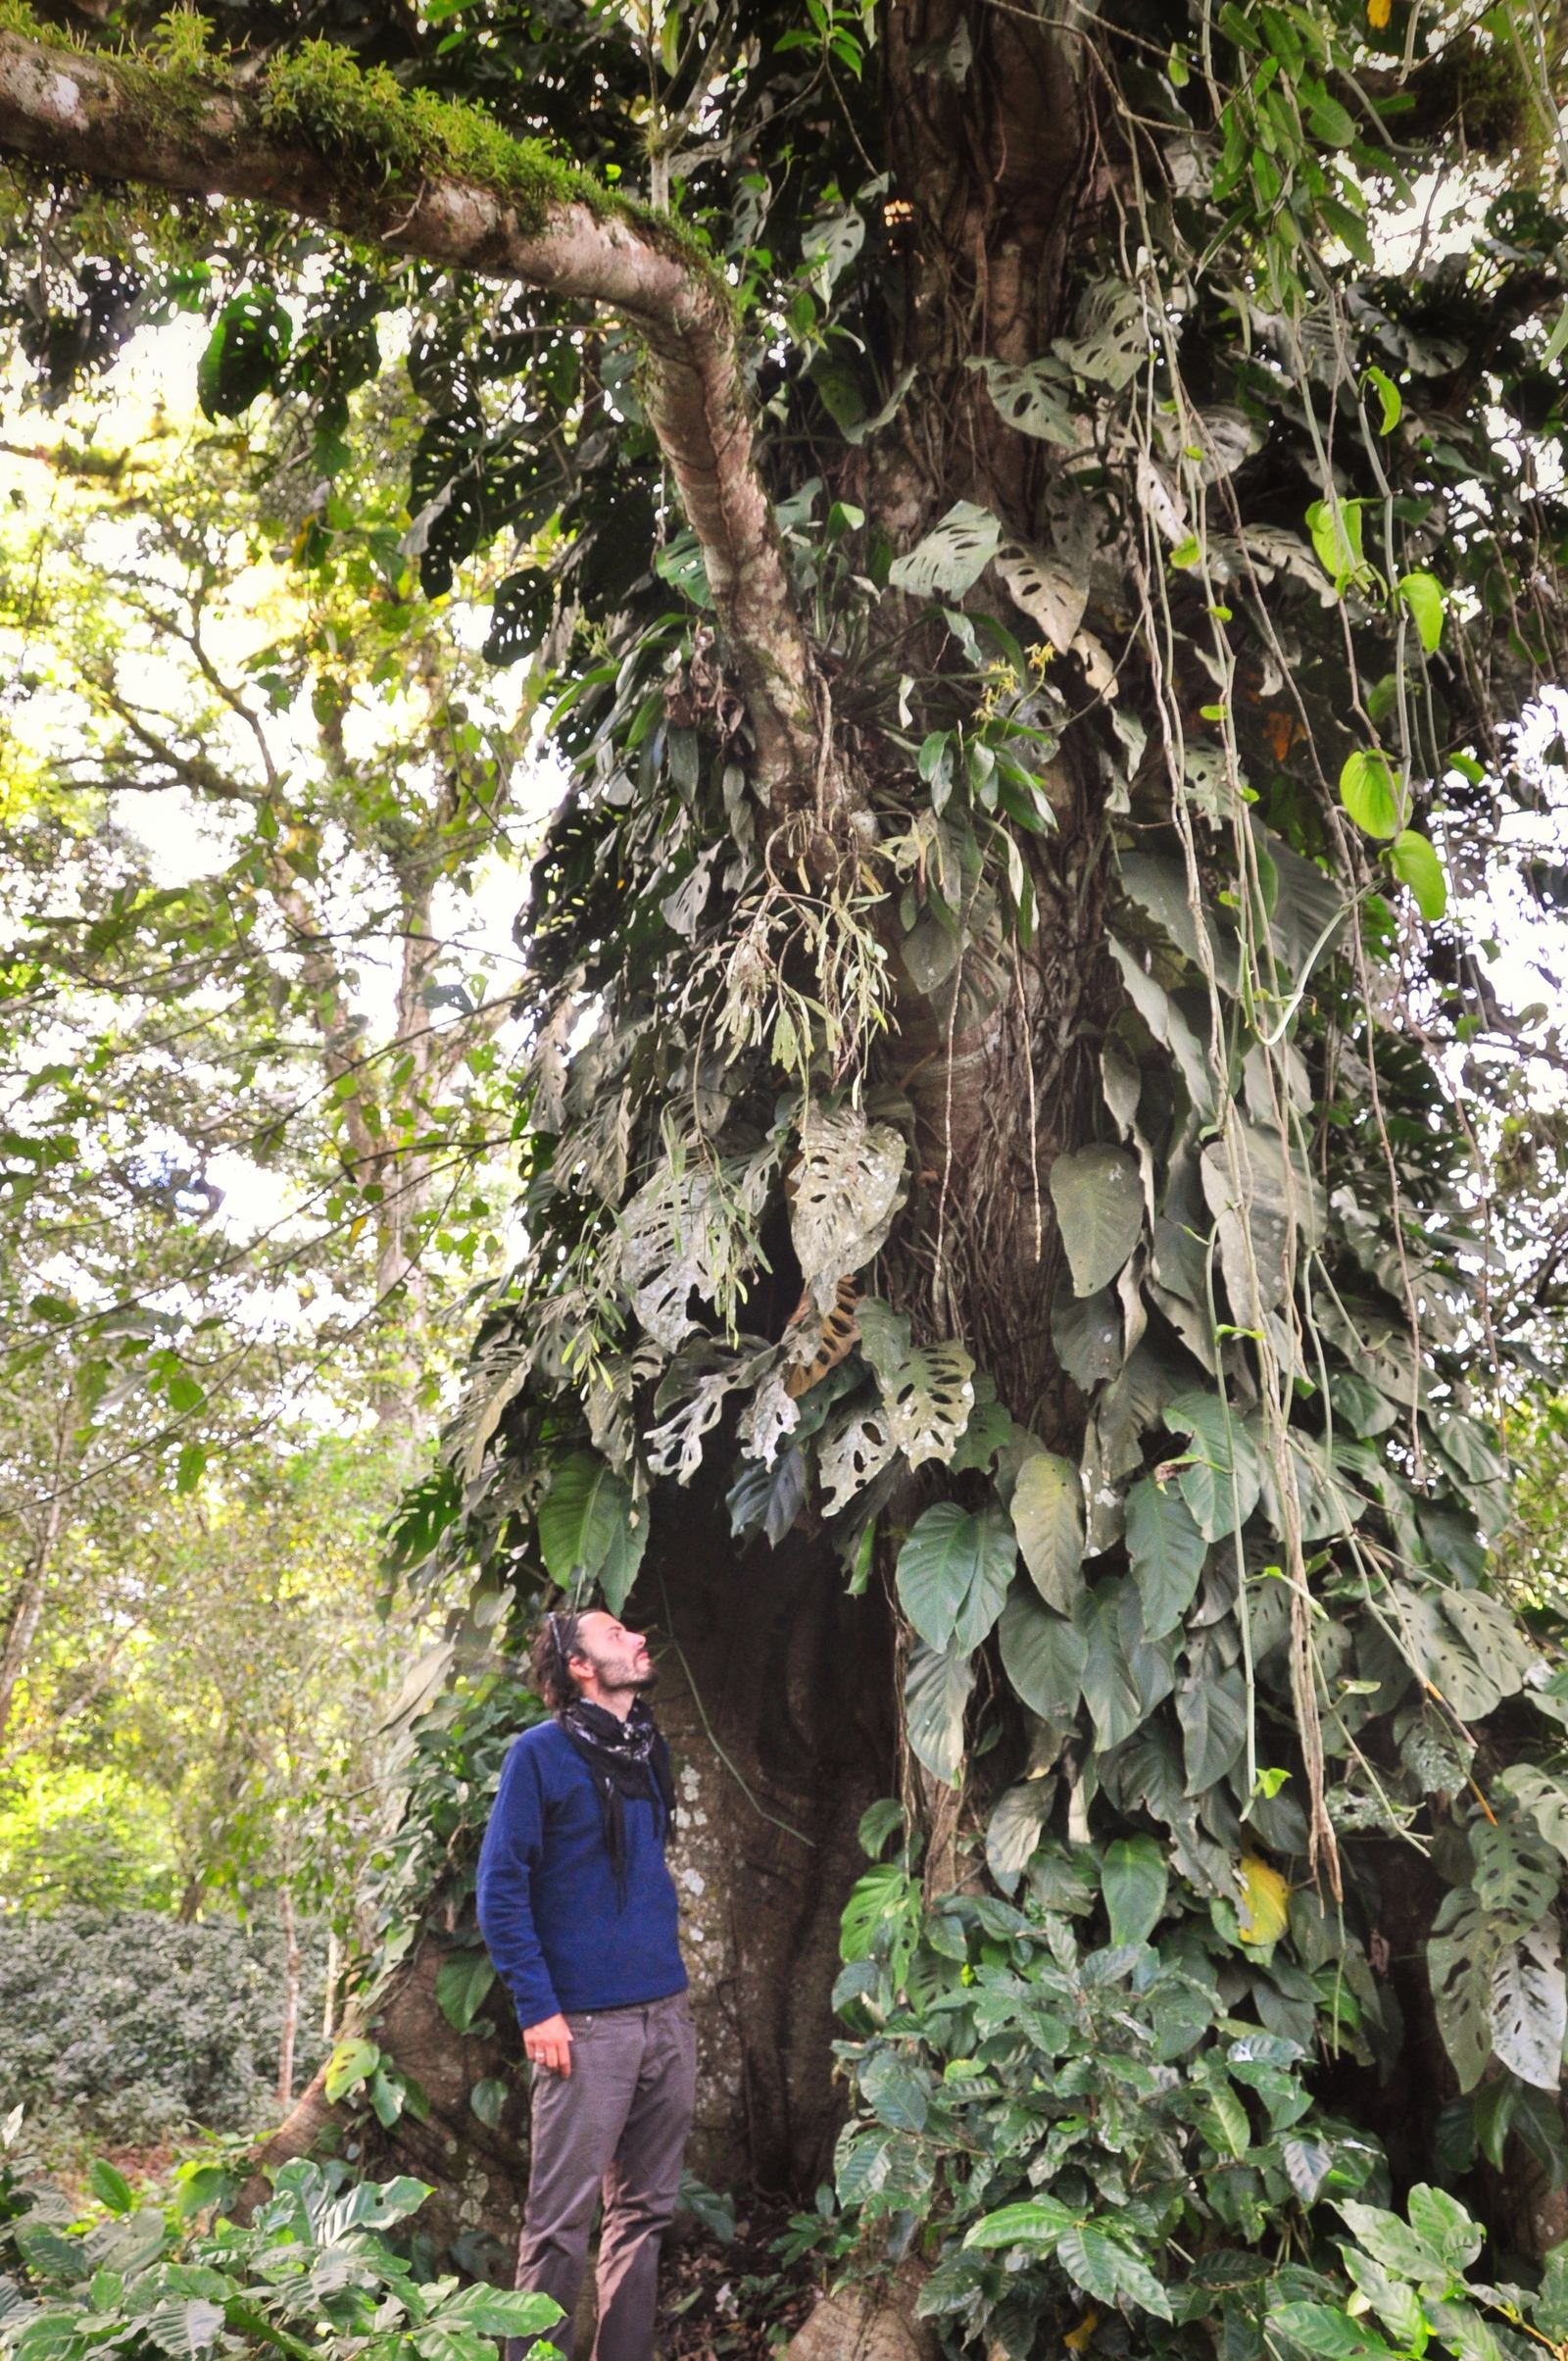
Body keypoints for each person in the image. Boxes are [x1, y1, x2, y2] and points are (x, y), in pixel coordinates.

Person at [476, 1606, 695, 2361]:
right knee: (559, 2222)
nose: (637, 1637)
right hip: (584, 2028)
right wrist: (538, 2006)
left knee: (643, 2214)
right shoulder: (539, 1754)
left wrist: (670, 2006)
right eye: (614, 1635)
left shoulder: (649, 1750)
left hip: (666, 2015)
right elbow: (500, 1887)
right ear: (579, 1665)